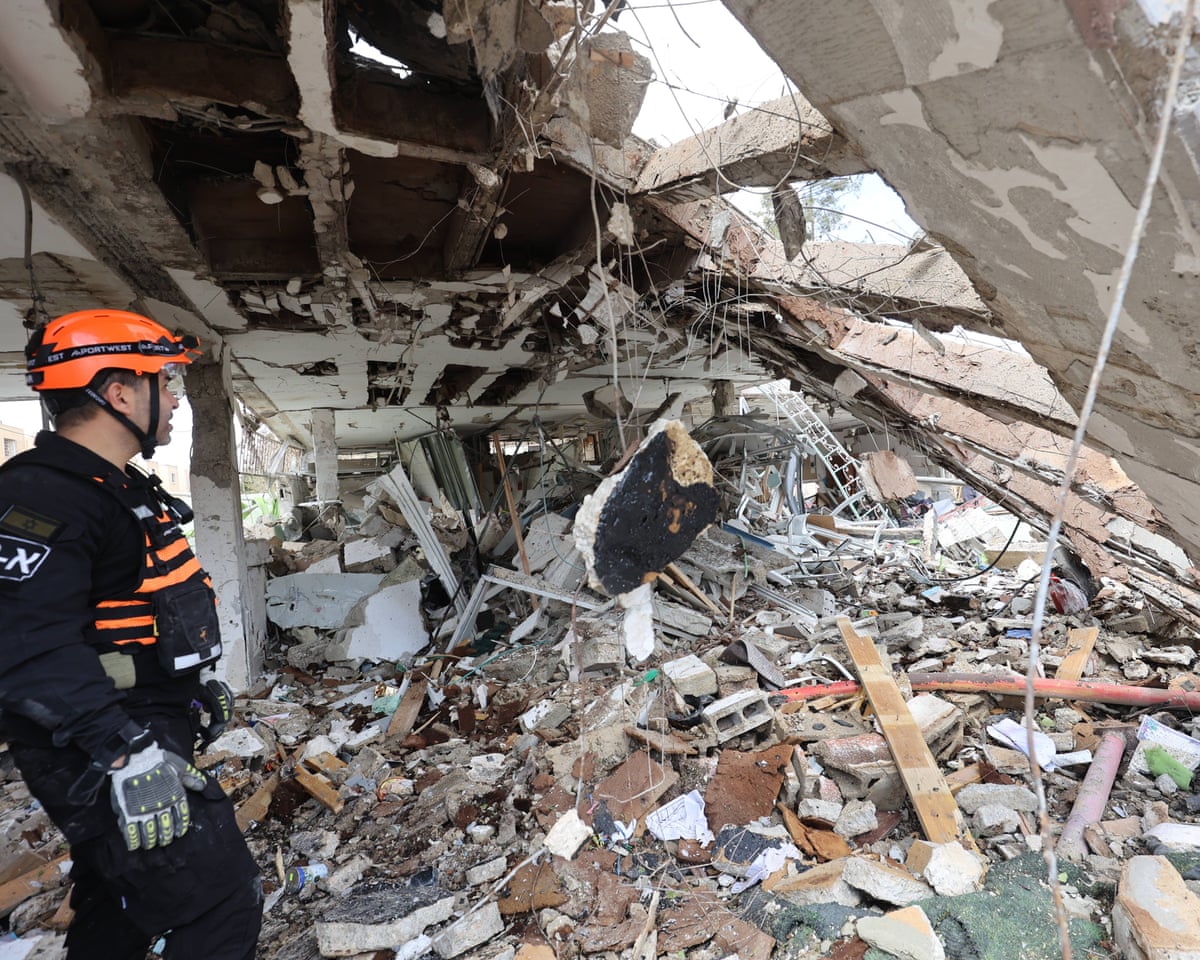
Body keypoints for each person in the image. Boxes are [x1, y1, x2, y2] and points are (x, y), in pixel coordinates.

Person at [0, 309, 261, 958]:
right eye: (163, 380)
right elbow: (27, 646)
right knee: (219, 904)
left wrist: (182, 689)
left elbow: (123, 615)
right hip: (97, 740)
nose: (174, 398)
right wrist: (125, 752)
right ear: (118, 392)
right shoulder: (42, 495)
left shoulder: (111, 487)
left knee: (117, 899)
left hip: (133, 718)